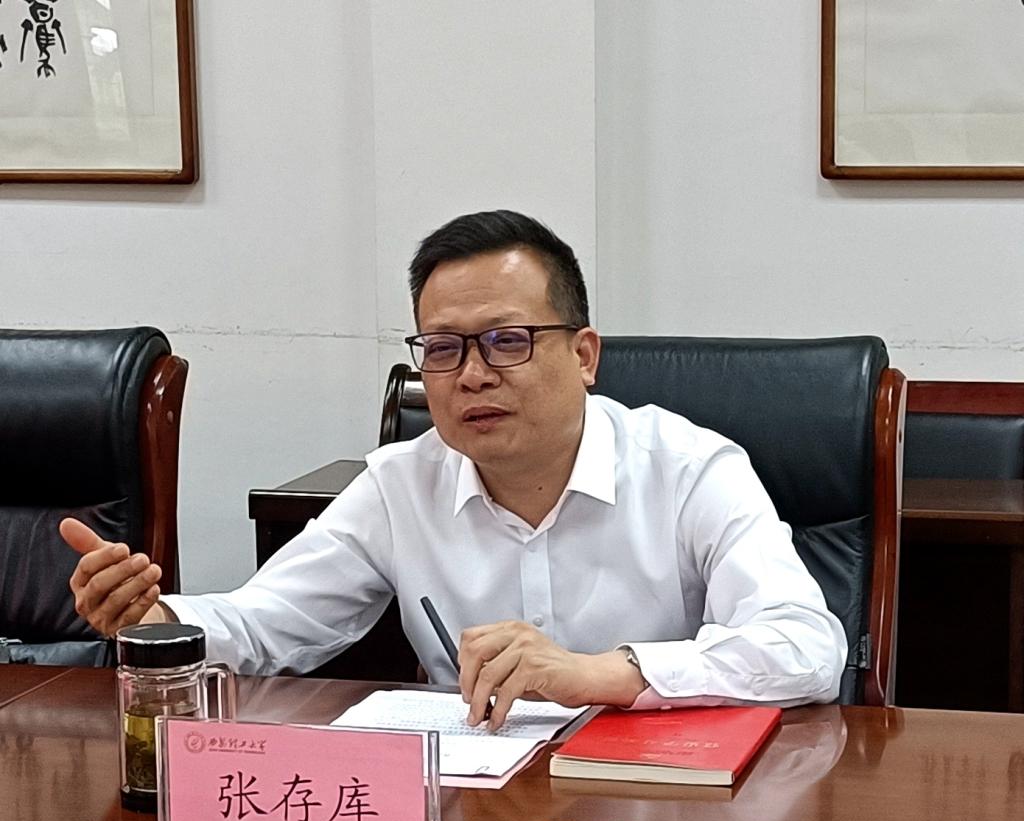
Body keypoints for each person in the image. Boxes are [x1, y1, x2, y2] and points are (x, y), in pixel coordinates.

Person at [61, 210, 847, 729]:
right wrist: (158, 622)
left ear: (583, 355)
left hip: (656, 803)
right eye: (441, 348)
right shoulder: (400, 486)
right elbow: (264, 625)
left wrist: (596, 674)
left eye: (507, 341)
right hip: (471, 813)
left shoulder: (691, 469)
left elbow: (807, 647)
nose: (471, 375)